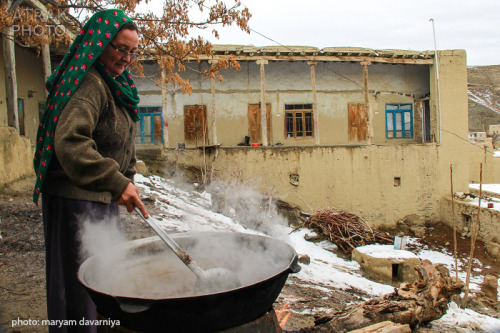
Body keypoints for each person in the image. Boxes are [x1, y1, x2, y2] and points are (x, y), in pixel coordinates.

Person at [32, 9, 148, 332]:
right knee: (79, 293)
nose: (127, 58)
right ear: (100, 44)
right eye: (121, 48)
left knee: (102, 287)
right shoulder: (90, 83)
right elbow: (70, 143)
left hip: (101, 199)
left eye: (132, 51)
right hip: (75, 203)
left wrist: (127, 181)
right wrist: (116, 181)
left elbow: (122, 142)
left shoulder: (117, 86)